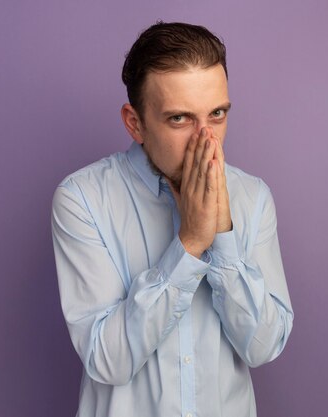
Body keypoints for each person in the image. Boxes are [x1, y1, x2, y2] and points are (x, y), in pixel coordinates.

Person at [51, 21, 293, 417]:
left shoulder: (253, 197)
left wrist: (223, 237)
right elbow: (107, 360)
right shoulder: (81, 200)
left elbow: (263, 347)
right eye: (179, 119)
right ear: (135, 123)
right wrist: (190, 243)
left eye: (217, 114)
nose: (206, 141)